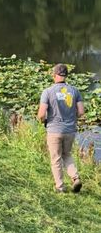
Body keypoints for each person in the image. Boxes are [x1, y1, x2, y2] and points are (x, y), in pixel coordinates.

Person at [37, 63, 85, 193]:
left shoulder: (47, 91)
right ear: (66, 76)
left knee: (56, 158)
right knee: (67, 155)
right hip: (70, 130)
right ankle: (75, 178)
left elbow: (41, 114)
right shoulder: (75, 91)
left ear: (54, 75)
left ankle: (60, 187)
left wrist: (43, 120)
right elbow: (81, 112)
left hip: (54, 130)